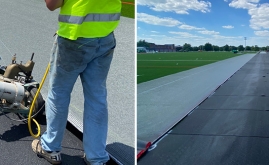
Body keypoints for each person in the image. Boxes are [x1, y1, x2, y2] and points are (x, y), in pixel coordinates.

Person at [31, 0, 121, 165]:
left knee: (59, 93)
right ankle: (97, 157)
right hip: (105, 37)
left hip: (74, 38)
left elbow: (52, 4)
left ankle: (50, 147)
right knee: (97, 97)